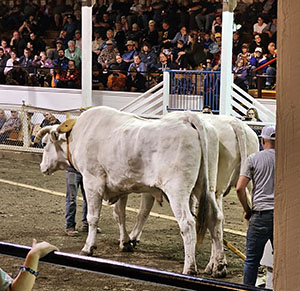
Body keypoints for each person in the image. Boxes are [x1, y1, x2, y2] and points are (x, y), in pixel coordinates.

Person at [236, 125, 275, 286]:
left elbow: (240, 188)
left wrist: (247, 209)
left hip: (260, 214)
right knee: (283, 258)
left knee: (252, 261)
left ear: (263, 140)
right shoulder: (288, 158)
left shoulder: (253, 159)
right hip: (281, 216)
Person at [65, 165, 89, 236]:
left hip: (85, 171)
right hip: (73, 170)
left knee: (89, 199)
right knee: (71, 200)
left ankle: (87, 224)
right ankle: (70, 226)